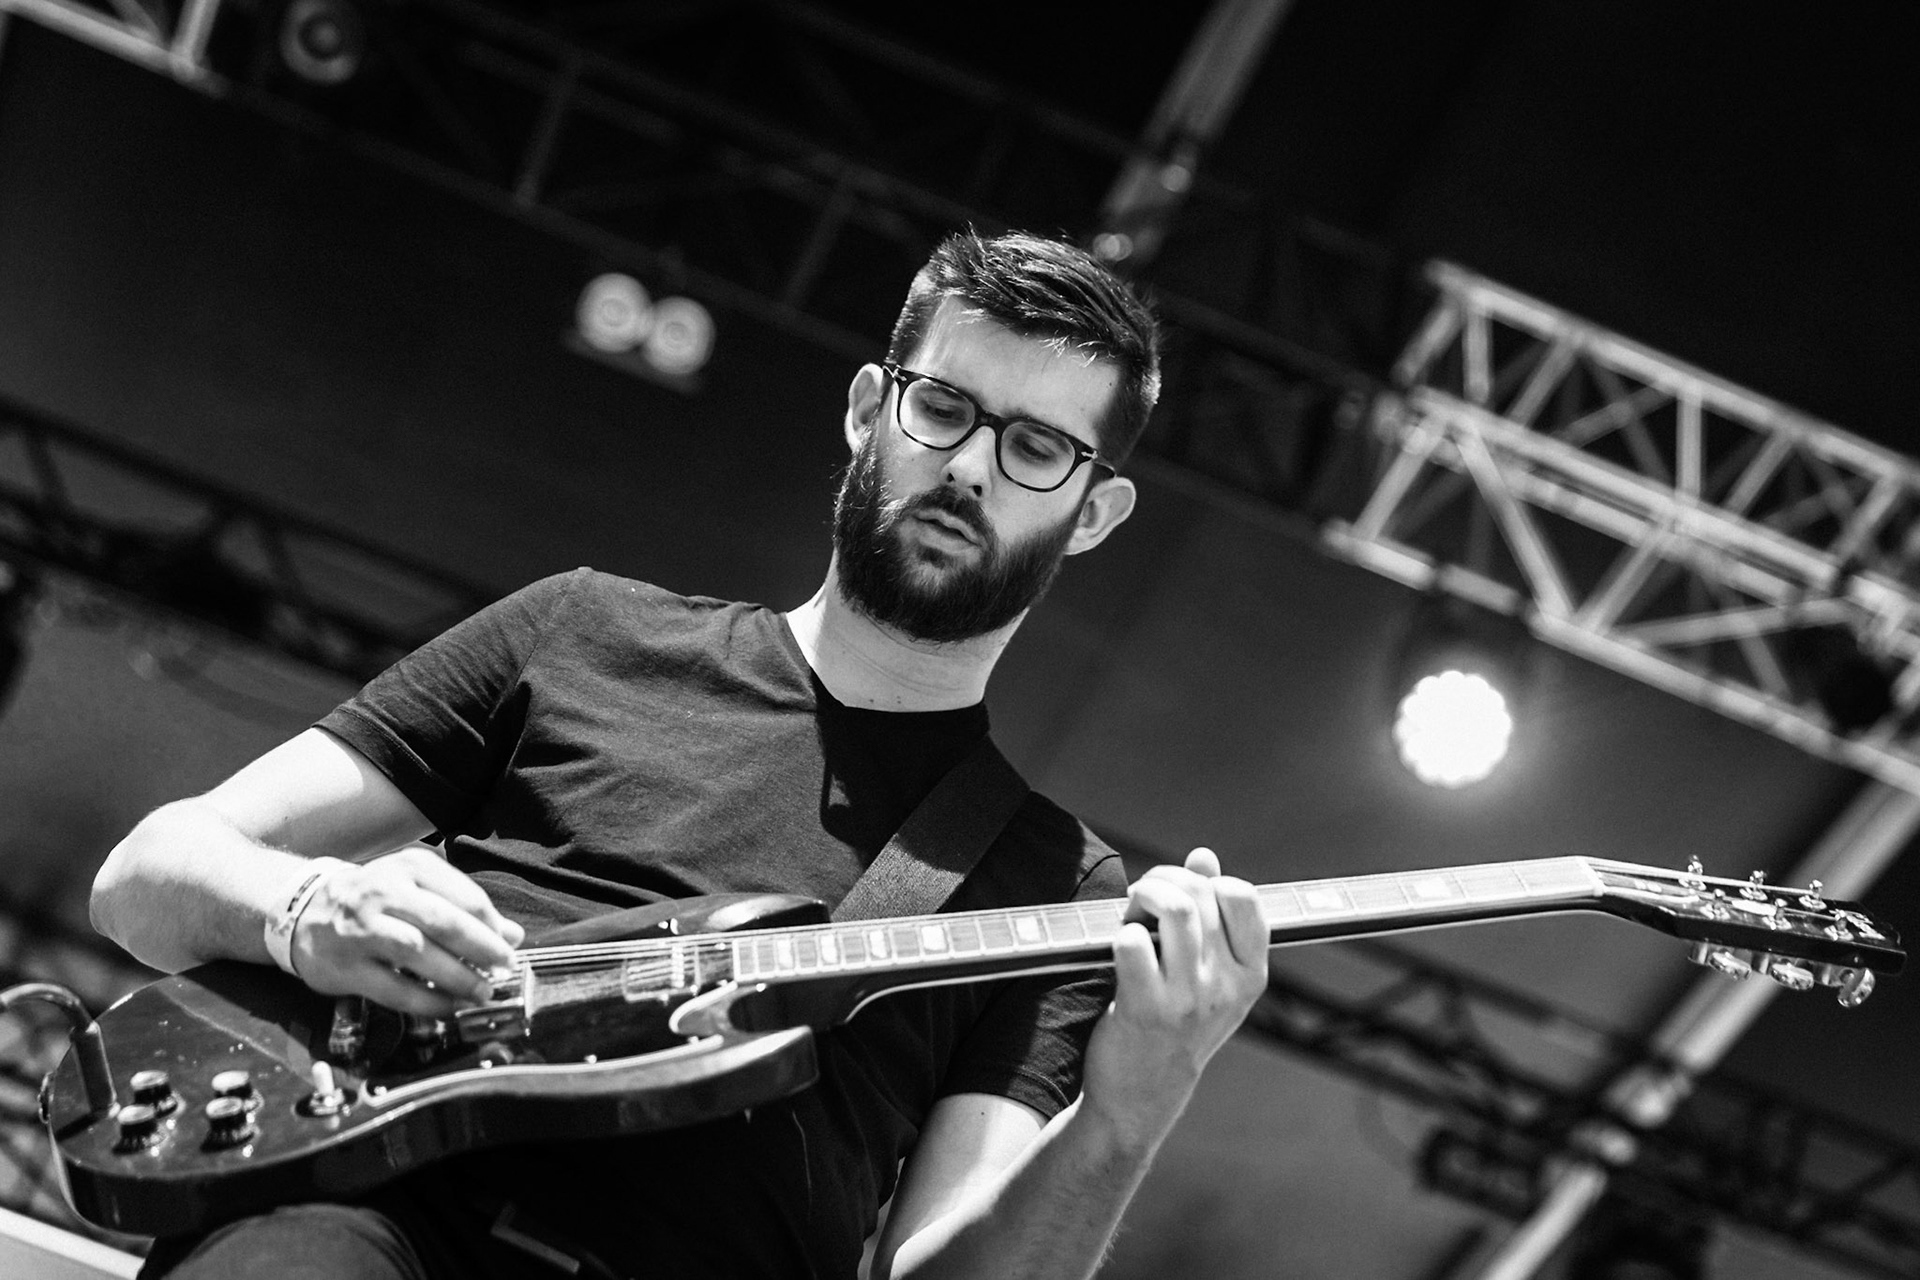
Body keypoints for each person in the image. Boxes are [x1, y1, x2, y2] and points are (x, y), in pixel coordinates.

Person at [90, 230, 1271, 1279]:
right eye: (944, 409)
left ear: (1097, 512)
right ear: (869, 408)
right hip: (361, 1215)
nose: (967, 466)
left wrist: (1125, 1116)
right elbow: (146, 876)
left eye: (1035, 448)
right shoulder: (584, 629)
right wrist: (309, 906)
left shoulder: (1057, 884)